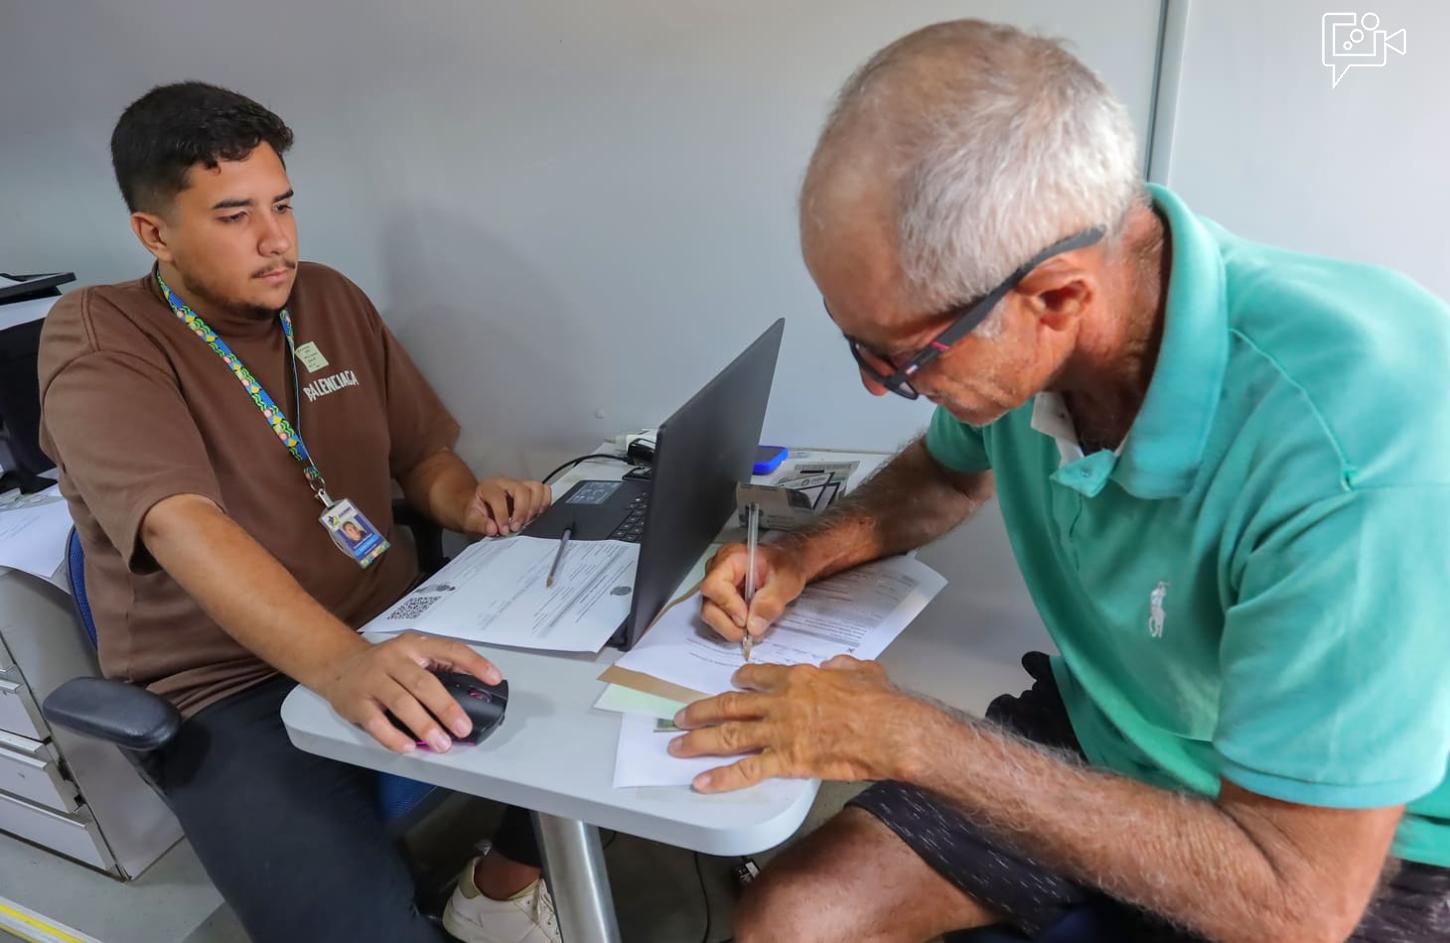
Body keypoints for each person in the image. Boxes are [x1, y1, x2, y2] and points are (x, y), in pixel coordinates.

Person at [671, 20, 1450, 943]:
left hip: (1356, 852)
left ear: (1056, 298)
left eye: (900, 358)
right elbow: (942, 478)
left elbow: (1293, 901)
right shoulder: (1024, 344)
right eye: (859, 346)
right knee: (793, 922)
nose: (875, 385)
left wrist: (914, 738)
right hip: (1110, 734)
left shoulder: (1356, 442)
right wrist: (803, 555)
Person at [38, 82, 560, 943]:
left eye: (282, 205)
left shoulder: (326, 297)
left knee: (619, 704)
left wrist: (466, 499)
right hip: (226, 685)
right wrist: (346, 664)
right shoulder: (99, 334)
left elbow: (419, 456)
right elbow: (181, 524)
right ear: (154, 233)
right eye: (235, 216)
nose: (276, 240)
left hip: (394, 618)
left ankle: (497, 894)